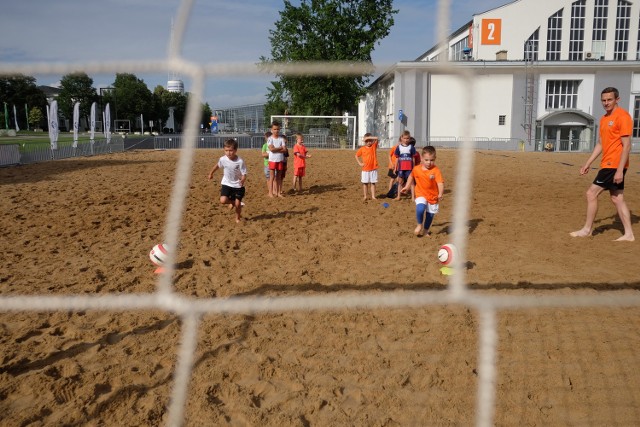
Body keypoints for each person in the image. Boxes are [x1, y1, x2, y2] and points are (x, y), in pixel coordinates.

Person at [570, 87, 634, 241]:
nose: (606, 103)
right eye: (603, 100)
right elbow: (601, 143)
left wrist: (619, 170)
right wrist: (587, 163)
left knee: (591, 193)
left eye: (609, 99)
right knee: (617, 198)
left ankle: (587, 230)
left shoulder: (623, 116)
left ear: (617, 99)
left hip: (614, 165)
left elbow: (627, 145)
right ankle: (629, 234)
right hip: (608, 163)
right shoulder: (604, 118)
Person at [400, 146, 444, 236]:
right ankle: (419, 225)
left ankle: (426, 230)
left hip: (433, 196)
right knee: (420, 208)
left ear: (435, 159)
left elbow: (440, 183)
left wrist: (440, 193)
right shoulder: (416, 168)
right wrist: (407, 186)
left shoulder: (436, 170)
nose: (429, 162)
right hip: (420, 193)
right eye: (426, 160)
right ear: (422, 158)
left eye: (431, 160)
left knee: (430, 215)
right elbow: (411, 176)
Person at [207, 138, 247, 223]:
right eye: (226, 150)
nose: (228, 152)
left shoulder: (240, 161)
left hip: (237, 185)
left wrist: (243, 179)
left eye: (231, 150)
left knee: (238, 204)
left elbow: (244, 173)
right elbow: (217, 166)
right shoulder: (223, 159)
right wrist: (211, 173)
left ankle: (237, 218)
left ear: (235, 150)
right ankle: (232, 202)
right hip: (226, 183)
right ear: (224, 150)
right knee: (223, 200)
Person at [393, 130, 417, 201]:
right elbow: (397, 158)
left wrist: (414, 167)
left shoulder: (411, 147)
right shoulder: (399, 147)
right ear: (401, 138)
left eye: (408, 138)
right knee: (400, 181)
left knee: (412, 182)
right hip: (401, 168)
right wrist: (395, 168)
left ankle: (413, 197)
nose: (406, 140)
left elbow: (413, 157)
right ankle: (398, 196)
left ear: (409, 139)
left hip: (409, 168)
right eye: (405, 138)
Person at [355, 133, 379, 201]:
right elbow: (356, 155)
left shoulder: (374, 146)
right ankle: (365, 196)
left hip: (373, 168)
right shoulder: (362, 149)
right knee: (365, 183)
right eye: (367, 141)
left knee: (373, 183)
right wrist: (360, 163)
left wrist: (369, 137)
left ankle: (373, 196)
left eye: (370, 141)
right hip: (365, 169)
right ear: (364, 141)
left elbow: (377, 138)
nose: (368, 142)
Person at [267, 121, 287, 197]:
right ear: (271, 130)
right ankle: (270, 192)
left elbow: (285, 150)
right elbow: (271, 149)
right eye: (275, 129)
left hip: (280, 160)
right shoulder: (270, 139)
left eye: (278, 129)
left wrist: (276, 149)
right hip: (272, 160)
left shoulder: (281, 139)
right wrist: (280, 148)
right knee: (272, 177)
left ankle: (278, 192)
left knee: (278, 177)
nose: (276, 130)